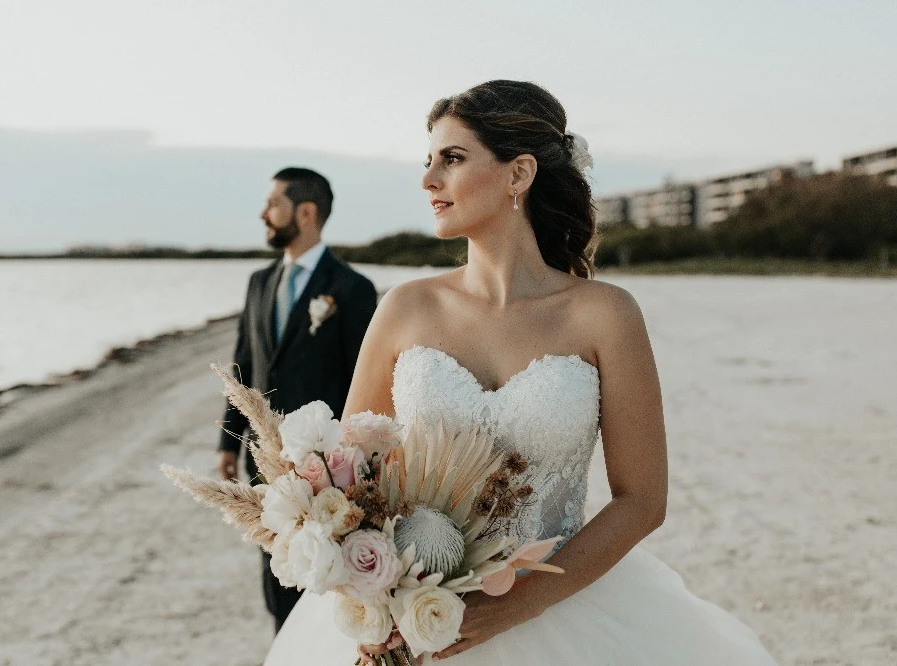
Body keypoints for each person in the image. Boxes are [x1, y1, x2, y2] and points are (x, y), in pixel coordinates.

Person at [263, 82, 778, 664]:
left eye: (452, 159)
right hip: (416, 612)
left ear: (519, 173)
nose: (429, 179)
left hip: (564, 612)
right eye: (428, 160)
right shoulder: (405, 308)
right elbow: (350, 470)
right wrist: (379, 581)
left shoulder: (604, 314)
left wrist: (517, 607)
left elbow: (642, 499)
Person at [218, 166, 377, 633]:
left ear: (305, 212)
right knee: (277, 577)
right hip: (265, 462)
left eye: (273, 204)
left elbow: (362, 381)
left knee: (328, 581)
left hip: (330, 469)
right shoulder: (258, 283)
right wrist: (229, 441)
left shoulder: (351, 288)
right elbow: (243, 366)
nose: (263, 213)